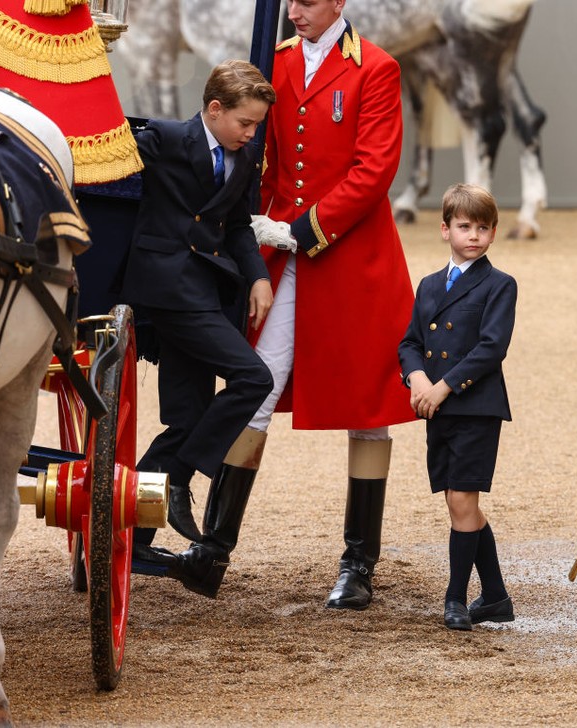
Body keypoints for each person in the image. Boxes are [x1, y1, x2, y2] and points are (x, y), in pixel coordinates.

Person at [233, 0, 416, 609]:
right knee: (255, 382)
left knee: (368, 404)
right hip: (280, 252)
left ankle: (358, 562)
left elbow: (373, 170)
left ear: (339, 2)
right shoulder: (275, 63)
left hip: (352, 256)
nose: (293, 10)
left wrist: (304, 229)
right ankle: (214, 543)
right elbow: (263, 161)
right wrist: (252, 233)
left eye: (308, 1)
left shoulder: (377, 68)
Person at [121, 60, 276, 590]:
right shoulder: (163, 139)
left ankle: (126, 540)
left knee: (185, 423)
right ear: (215, 109)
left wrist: (256, 276)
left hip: (206, 290)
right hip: (166, 289)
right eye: (245, 124)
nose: (252, 135)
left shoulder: (244, 155)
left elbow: (236, 226)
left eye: (256, 126)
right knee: (255, 378)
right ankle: (181, 476)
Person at [398, 183, 517, 631]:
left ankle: (455, 599)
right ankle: (497, 598)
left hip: (475, 407)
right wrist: (418, 378)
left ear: (492, 233)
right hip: (438, 406)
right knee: (457, 501)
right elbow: (410, 341)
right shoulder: (429, 285)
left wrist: (443, 386)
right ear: (444, 229)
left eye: (483, 228)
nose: (474, 236)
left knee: (462, 499)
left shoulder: (500, 284)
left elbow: (491, 348)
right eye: (465, 226)